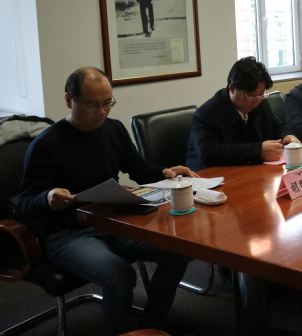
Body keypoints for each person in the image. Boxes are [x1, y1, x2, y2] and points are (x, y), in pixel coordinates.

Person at [18, 67, 195, 336]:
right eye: (92, 105)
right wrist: (48, 198)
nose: (102, 112)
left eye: (107, 102)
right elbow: (26, 205)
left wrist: (164, 172)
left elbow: (138, 168)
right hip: (68, 235)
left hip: (114, 223)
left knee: (178, 250)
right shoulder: (46, 144)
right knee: (119, 274)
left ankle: (150, 326)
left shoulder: (113, 129)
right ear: (69, 100)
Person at [186, 57, 299, 171]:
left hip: (247, 170)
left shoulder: (261, 103)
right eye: (251, 95)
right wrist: (258, 151)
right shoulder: (207, 113)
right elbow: (208, 153)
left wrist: (287, 136)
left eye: (261, 94)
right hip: (210, 175)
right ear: (232, 89)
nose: (257, 100)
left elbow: (274, 125)